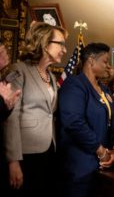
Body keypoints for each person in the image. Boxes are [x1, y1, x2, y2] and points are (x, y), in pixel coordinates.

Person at [3, 22, 68, 196]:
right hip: (25, 153)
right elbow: (11, 117)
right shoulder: (19, 70)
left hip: (49, 151)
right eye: (60, 44)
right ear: (45, 43)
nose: (64, 50)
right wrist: (13, 161)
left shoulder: (52, 77)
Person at [58, 43, 114, 197]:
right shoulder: (74, 85)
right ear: (91, 61)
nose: (108, 66)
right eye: (105, 61)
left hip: (104, 169)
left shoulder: (105, 90)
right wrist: (100, 151)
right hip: (80, 168)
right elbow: (74, 123)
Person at [0, 43, 21, 194]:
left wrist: (8, 105)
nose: (6, 53)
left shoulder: (5, 76)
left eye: (5, 49)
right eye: (1, 51)